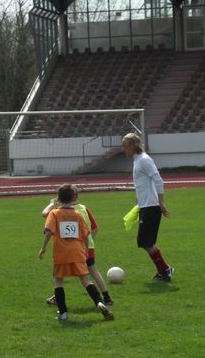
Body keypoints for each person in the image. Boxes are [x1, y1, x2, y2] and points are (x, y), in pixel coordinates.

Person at [38, 184, 114, 321]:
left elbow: (48, 232)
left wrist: (43, 248)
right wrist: (85, 251)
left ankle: (63, 313)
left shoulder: (54, 213)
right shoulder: (78, 215)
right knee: (86, 280)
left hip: (61, 253)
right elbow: (86, 235)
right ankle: (99, 302)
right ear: (73, 198)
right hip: (78, 252)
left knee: (59, 281)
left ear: (58, 199)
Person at [121, 132, 174, 282]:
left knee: (145, 241)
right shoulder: (137, 160)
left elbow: (158, 179)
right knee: (146, 241)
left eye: (125, 145)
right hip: (145, 205)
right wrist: (138, 202)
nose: (123, 148)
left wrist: (161, 202)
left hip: (151, 205)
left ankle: (165, 270)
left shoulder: (144, 160)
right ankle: (163, 270)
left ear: (133, 145)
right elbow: (142, 183)